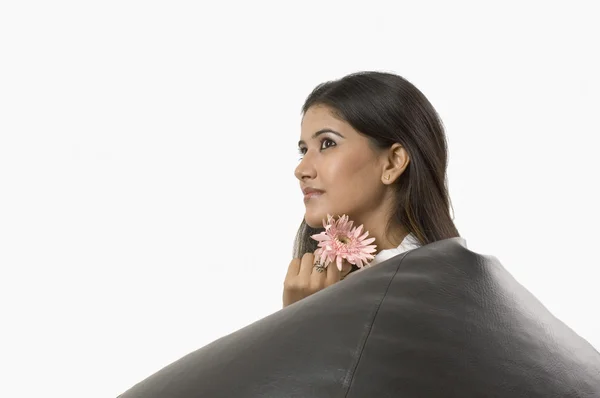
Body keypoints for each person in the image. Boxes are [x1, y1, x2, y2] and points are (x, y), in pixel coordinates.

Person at [283, 70, 460, 307]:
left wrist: (302, 319)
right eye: (304, 150)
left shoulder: (414, 293)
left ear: (392, 162)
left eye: (327, 143)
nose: (301, 170)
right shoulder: (353, 280)